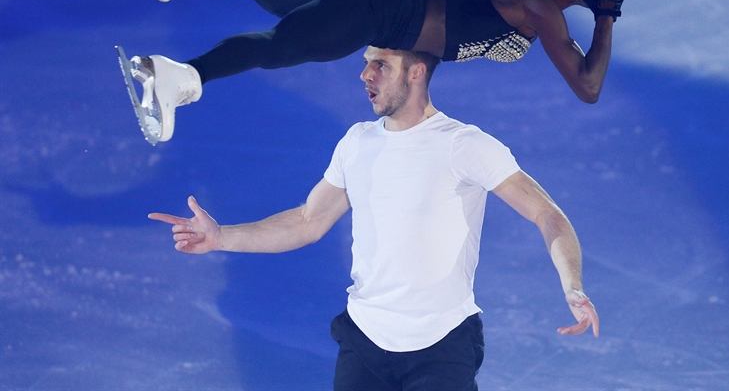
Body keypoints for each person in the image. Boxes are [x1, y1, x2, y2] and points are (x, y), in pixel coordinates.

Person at [148, 46, 599, 391]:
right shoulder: (357, 142)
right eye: (366, 63)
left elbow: (546, 213)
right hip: (364, 341)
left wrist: (572, 285)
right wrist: (221, 237)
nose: (365, 74)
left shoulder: (463, 144)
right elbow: (308, 220)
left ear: (416, 72)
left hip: (442, 346)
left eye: (380, 64)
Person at [129, 0, 650, 142]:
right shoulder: (539, 6)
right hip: (376, 11)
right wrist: (607, 16)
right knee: (279, 46)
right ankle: (180, 77)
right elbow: (588, 87)